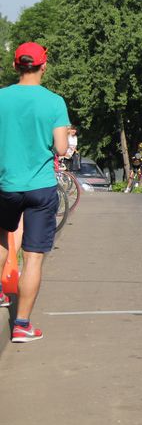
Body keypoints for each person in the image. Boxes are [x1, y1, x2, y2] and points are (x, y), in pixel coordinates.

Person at [0, 42, 70, 343]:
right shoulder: (54, 102)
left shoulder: (1, 98)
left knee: (3, 239)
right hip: (40, 187)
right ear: (44, 65)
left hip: (5, 184)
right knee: (33, 256)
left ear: (16, 66)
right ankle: (22, 324)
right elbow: (61, 148)